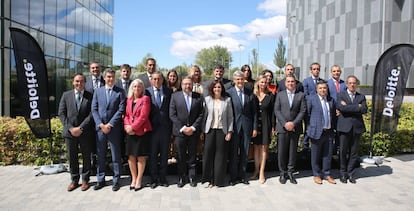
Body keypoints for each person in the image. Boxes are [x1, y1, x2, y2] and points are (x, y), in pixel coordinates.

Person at [58, 73, 94, 191]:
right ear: (73, 82)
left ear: (85, 83)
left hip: (85, 132)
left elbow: (91, 114)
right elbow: (61, 113)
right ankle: (74, 180)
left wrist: (81, 128)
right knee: (72, 157)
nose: (79, 83)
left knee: (86, 156)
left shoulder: (90, 96)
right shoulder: (66, 95)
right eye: (77, 81)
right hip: (70, 133)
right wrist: (71, 128)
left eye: (81, 81)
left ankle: (85, 180)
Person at [91, 69, 126, 191]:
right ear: (104, 78)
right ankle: (101, 179)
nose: (111, 79)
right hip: (100, 129)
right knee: (100, 155)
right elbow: (94, 109)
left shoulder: (120, 92)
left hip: (114, 128)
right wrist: (101, 125)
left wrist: (110, 124)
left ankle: (116, 180)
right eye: (108, 77)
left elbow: (121, 110)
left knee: (115, 155)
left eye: (112, 77)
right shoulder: (97, 91)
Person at [169, 76, 204, 188]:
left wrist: (193, 128)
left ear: (192, 85)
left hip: (193, 132)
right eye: (185, 84)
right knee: (181, 156)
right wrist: (183, 128)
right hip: (180, 132)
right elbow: (172, 114)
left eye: (189, 84)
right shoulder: (175, 96)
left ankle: (192, 176)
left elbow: (201, 114)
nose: (187, 86)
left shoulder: (198, 97)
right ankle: (181, 177)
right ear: (181, 85)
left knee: (193, 155)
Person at [274, 74, 306, 184]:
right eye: (288, 82)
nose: (290, 83)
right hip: (283, 128)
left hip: (295, 128)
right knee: (282, 151)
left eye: (292, 81)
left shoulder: (301, 95)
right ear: (285, 83)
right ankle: (282, 173)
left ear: (295, 83)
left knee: (293, 151)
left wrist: (293, 123)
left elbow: (302, 111)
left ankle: (290, 172)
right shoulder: (280, 95)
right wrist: (285, 123)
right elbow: (277, 110)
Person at [227, 70, 258, 185]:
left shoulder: (250, 93)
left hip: (247, 127)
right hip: (234, 127)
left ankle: (242, 176)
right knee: (234, 153)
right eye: (237, 79)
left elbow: (254, 112)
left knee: (245, 153)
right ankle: (233, 177)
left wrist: (254, 128)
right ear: (234, 80)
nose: (240, 81)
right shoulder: (229, 93)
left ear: (244, 80)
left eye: (241, 79)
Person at [201, 80, 234, 188]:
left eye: (219, 87)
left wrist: (229, 131)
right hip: (210, 130)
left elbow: (230, 117)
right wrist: (202, 131)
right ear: (212, 89)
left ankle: (218, 180)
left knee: (220, 156)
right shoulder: (207, 100)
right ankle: (209, 179)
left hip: (222, 130)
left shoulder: (227, 100)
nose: (217, 89)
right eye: (215, 87)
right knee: (208, 155)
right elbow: (204, 117)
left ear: (222, 89)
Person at [336, 75, 367, 184]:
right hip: (344, 128)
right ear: (347, 84)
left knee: (354, 153)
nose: (352, 85)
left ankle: (351, 173)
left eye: (354, 83)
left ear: (357, 84)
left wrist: (349, 107)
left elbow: (364, 110)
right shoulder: (341, 95)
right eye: (350, 83)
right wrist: (356, 107)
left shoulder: (361, 96)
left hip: (357, 128)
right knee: (343, 152)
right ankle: (342, 173)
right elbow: (341, 108)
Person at [306, 80, 337, 185]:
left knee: (327, 155)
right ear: (316, 89)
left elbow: (333, 115)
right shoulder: (311, 99)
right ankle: (316, 174)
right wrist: (310, 128)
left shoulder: (331, 100)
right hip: (316, 131)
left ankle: (327, 173)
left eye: (324, 88)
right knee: (315, 155)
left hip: (328, 131)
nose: (323, 90)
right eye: (320, 88)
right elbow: (307, 115)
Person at [123, 79, 152, 191]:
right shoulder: (129, 100)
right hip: (130, 132)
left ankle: (139, 179)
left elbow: (143, 117)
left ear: (142, 88)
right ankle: (133, 178)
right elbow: (126, 115)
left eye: (139, 86)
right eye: (134, 86)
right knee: (131, 157)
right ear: (132, 88)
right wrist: (126, 126)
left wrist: (133, 127)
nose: (137, 88)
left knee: (140, 156)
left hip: (141, 132)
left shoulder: (145, 99)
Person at [146, 71, 173, 188]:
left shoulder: (169, 91)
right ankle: (153, 178)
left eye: (159, 79)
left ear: (163, 80)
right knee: (152, 155)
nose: (157, 81)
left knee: (164, 155)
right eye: (154, 79)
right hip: (151, 129)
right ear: (151, 80)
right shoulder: (147, 91)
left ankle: (163, 177)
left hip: (165, 128)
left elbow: (171, 110)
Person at [250, 75, 275, 184]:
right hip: (256, 125)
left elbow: (273, 113)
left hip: (266, 125)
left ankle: (261, 172)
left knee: (264, 148)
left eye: (265, 82)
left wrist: (273, 127)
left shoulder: (270, 95)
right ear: (258, 83)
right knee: (256, 148)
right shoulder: (253, 95)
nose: (263, 84)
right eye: (261, 82)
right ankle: (255, 170)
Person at [302, 62, 323, 150]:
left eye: (318, 69)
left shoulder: (322, 81)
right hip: (309, 109)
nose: (316, 71)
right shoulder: (306, 81)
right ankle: (305, 146)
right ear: (311, 70)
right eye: (314, 69)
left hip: (319, 109)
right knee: (308, 128)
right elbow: (305, 95)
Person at [326, 65, 347, 156]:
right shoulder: (327, 83)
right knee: (330, 133)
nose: (336, 73)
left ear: (340, 72)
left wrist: (341, 109)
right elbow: (326, 98)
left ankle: (338, 151)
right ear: (331, 72)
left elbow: (346, 98)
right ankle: (330, 152)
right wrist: (333, 110)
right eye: (334, 71)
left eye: (338, 71)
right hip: (331, 112)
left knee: (340, 133)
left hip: (342, 113)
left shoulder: (344, 84)